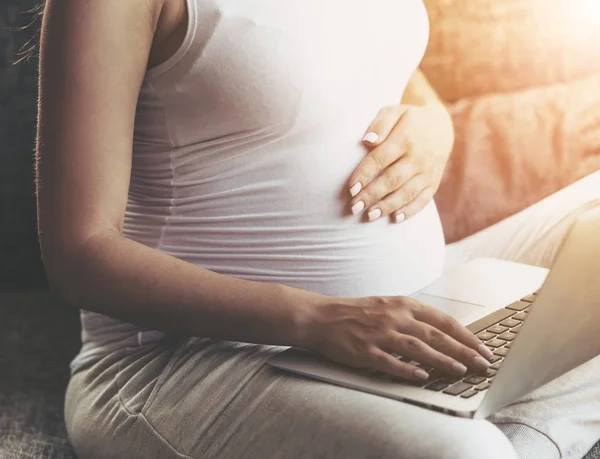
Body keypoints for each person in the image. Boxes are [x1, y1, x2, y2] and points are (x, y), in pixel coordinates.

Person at [35, 0, 600, 458]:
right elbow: (79, 252)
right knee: (465, 454)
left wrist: (436, 128)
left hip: (417, 300)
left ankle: (519, 436)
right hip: (193, 362)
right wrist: (319, 319)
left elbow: (373, 76)